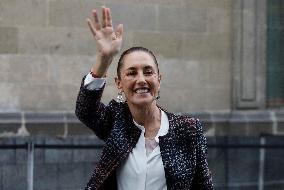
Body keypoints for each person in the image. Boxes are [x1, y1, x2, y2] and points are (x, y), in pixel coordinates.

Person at [75, 6, 213, 190]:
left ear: (159, 79)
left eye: (148, 72)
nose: (141, 80)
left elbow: (203, 186)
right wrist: (104, 58)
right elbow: (86, 110)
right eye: (131, 73)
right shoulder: (116, 121)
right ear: (119, 83)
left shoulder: (188, 129)